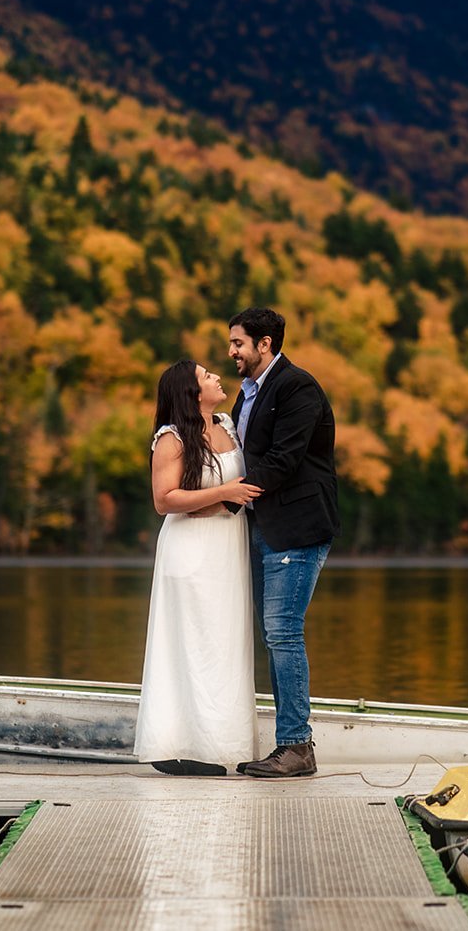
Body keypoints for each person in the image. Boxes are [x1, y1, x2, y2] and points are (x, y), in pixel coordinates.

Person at [132, 360, 263, 776]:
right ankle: (178, 745)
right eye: (208, 376)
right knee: (190, 643)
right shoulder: (172, 438)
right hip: (190, 551)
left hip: (229, 548)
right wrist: (225, 491)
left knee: (226, 644)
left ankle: (224, 743)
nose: (217, 378)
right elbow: (163, 500)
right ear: (192, 392)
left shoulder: (229, 424)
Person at [228, 307, 340, 779]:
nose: (231, 351)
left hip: (297, 528)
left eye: (238, 343)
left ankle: (296, 746)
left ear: (265, 344)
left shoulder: (297, 387)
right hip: (264, 529)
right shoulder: (248, 393)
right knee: (275, 635)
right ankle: (287, 745)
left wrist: (224, 501)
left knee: (283, 632)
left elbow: (284, 459)